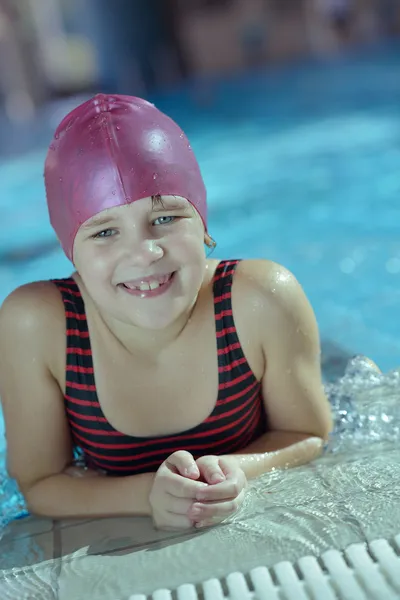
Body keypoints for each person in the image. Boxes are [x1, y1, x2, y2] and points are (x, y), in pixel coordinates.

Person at [0, 94, 332, 531]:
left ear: (203, 224)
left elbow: (307, 433)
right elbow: (41, 484)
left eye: (165, 219)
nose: (144, 253)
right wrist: (147, 496)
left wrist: (239, 471)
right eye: (104, 231)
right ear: (71, 251)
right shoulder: (38, 325)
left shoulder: (260, 299)